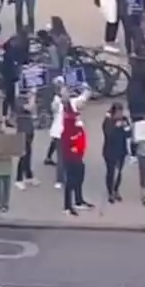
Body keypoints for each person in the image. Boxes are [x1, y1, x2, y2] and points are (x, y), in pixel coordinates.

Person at [59, 87, 93, 216]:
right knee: (71, 179)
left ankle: (79, 201)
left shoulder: (75, 114)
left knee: (79, 176)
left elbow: (82, 98)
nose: (83, 106)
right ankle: (67, 206)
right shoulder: (69, 118)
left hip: (78, 153)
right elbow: (67, 103)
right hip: (71, 154)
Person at [101, 103, 130, 203]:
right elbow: (109, 135)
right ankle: (110, 192)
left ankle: (116, 189)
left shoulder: (124, 119)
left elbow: (128, 134)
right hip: (110, 151)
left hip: (121, 150)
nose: (120, 114)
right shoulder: (108, 121)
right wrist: (116, 127)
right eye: (118, 112)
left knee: (119, 172)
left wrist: (126, 127)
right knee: (111, 172)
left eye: (121, 112)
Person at [0, 118, 18, 213]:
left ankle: (4, 204)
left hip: (6, 166)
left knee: (5, 187)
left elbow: (14, 151)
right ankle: (0, 204)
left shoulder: (8, 140)